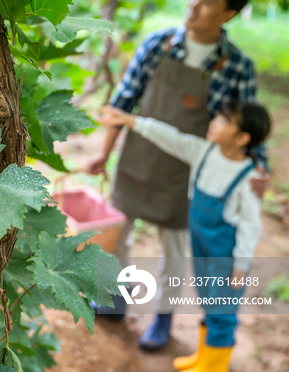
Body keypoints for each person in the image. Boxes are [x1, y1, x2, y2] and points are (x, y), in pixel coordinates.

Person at [85, 0, 270, 351]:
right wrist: (104, 152)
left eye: (207, 1)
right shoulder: (158, 44)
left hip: (188, 172)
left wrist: (259, 172)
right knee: (120, 236)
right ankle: (115, 299)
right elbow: (123, 102)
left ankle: (163, 318)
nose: (193, 4)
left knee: (175, 249)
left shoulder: (237, 67)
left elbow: (249, 129)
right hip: (139, 158)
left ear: (229, 14)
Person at [97, 100, 270, 372]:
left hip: (227, 254)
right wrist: (132, 121)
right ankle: (204, 356)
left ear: (242, 138)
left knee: (221, 307)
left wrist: (240, 265)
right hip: (202, 245)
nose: (213, 123)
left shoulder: (248, 177)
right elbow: (170, 137)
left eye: (224, 121)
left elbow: (250, 226)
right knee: (207, 296)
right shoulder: (204, 152)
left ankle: (215, 364)